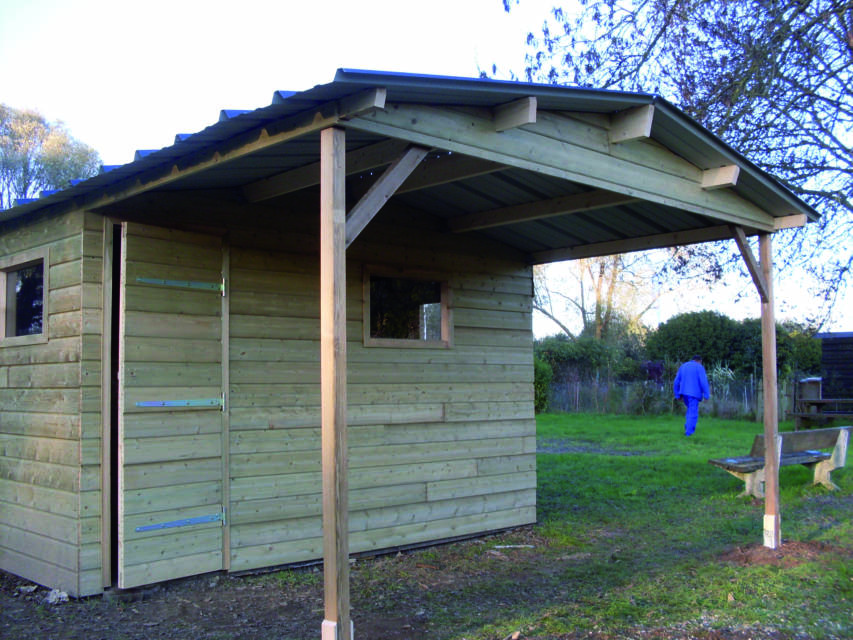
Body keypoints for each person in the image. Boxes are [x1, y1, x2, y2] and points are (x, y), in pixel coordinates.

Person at [673, 355, 710, 436]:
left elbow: (676, 381)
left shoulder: (683, 366)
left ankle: (688, 425)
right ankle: (688, 432)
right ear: (700, 361)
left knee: (690, 410)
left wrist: (677, 395)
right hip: (694, 394)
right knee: (693, 413)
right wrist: (707, 395)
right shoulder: (699, 367)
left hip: (684, 393)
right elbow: (703, 382)